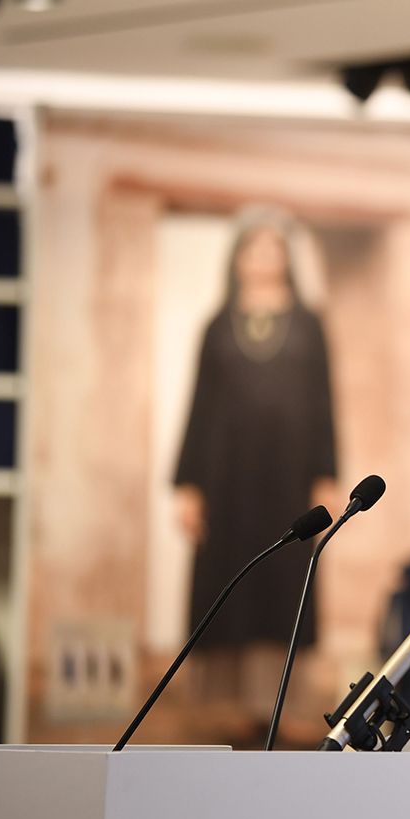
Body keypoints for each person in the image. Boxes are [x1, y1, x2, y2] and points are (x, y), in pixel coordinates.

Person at [173, 210, 337, 725]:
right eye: (253, 248)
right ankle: (224, 710)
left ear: (287, 259)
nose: (263, 258)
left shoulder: (310, 324)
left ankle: (278, 706)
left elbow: (325, 404)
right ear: (237, 259)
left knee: (284, 581)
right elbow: (198, 406)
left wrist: (327, 474)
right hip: (224, 478)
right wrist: (188, 485)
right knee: (228, 580)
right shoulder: (216, 325)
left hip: (290, 477)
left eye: (274, 248)